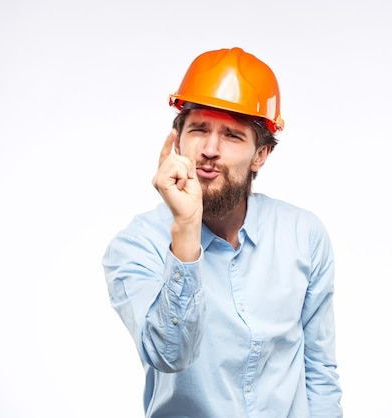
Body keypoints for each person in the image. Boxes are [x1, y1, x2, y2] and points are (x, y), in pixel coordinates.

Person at [102, 47, 343, 417]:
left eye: (231, 135)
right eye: (198, 129)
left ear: (260, 155)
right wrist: (185, 228)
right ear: (177, 140)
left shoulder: (304, 235)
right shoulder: (136, 246)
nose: (210, 150)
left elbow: (319, 371)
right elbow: (169, 355)